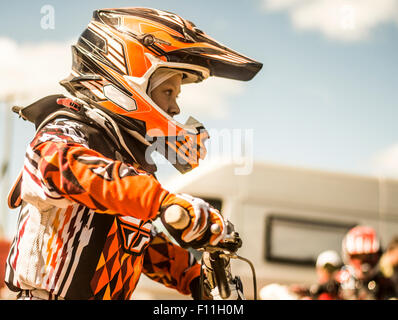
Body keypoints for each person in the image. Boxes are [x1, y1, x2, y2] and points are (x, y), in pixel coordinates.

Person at [4, 7, 262, 300]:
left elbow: (136, 243)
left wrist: (194, 278)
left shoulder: (122, 160)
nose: (176, 108)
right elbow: (67, 167)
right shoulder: (63, 133)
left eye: (176, 95)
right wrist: (164, 202)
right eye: (168, 92)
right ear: (125, 78)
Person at [337, 225, 396, 300]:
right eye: (359, 256)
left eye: (369, 256)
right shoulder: (339, 283)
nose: (364, 263)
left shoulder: (386, 284)